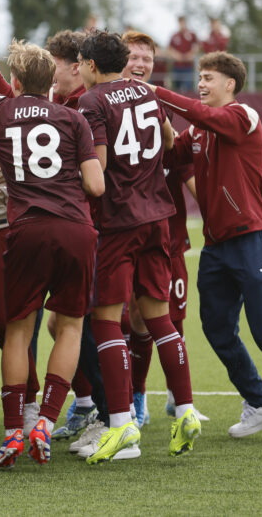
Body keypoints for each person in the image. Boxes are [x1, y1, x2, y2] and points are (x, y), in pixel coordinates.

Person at [0, 8, 104, 469]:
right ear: (53, 84)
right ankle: (47, 420)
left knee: (19, 331)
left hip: (25, 230)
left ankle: (13, 430)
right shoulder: (73, 118)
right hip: (75, 228)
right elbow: (96, 185)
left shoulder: (1, 109)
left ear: (17, 83)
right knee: (72, 325)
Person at [151, 51, 262, 446]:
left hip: (251, 239)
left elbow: (208, 118)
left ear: (230, 84)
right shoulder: (200, 129)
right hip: (216, 246)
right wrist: (160, 121)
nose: (201, 84)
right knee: (217, 328)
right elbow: (172, 156)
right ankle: (260, 404)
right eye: (199, 78)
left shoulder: (244, 116)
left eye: (208, 78)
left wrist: (156, 91)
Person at [75, 30, 200, 464]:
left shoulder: (91, 102)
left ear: (91, 65)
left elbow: (100, 168)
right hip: (158, 217)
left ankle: (121, 425)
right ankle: (185, 410)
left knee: (106, 319)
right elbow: (168, 142)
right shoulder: (148, 94)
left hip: (119, 221)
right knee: (159, 317)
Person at [168, 16, 198, 90]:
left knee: (188, 87)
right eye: (180, 22)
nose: (182, 24)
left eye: (183, 22)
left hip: (188, 66)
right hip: (177, 66)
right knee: (176, 88)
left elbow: (197, 45)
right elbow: (170, 49)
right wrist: (176, 56)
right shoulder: (174, 35)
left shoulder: (192, 34)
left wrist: (191, 54)